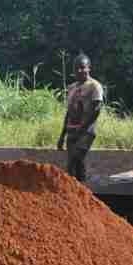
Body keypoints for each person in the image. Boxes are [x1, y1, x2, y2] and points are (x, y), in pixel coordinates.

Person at [56, 53, 104, 181]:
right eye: (77, 68)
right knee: (75, 165)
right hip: (72, 131)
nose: (79, 70)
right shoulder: (71, 87)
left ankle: (81, 191)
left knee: (75, 160)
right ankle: (80, 192)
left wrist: (82, 129)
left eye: (83, 67)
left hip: (86, 132)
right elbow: (69, 112)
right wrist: (62, 135)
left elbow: (96, 110)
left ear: (89, 68)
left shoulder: (95, 86)